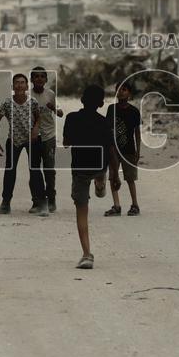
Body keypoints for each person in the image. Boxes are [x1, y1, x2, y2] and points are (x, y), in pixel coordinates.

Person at [63, 84, 120, 269]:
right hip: (99, 165)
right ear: (101, 103)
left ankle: (87, 254)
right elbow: (111, 150)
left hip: (80, 169)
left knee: (82, 211)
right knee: (98, 171)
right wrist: (114, 174)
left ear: (81, 100)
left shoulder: (71, 119)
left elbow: (66, 143)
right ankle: (101, 180)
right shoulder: (104, 122)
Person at [0, 73, 44, 214]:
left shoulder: (32, 102)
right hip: (14, 140)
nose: (19, 85)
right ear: (12, 86)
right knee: (10, 171)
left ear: (27, 86)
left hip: (32, 140)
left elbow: (39, 118)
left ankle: (39, 203)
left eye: (22, 82)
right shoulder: (7, 103)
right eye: (17, 83)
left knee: (35, 170)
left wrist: (35, 130)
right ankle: (5, 204)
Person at [102, 81, 143, 217]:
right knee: (113, 176)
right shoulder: (111, 109)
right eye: (118, 89)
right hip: (113, 149)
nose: (120, 92)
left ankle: (135, 204)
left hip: (129, 149)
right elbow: (107, 130)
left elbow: (137, 132)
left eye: (124, 89)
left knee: (130, 178)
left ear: (129, 94)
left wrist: (138, 150)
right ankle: (117, 205)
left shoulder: (134, 112)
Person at [29, 66, 63, 214]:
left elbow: (61, 113)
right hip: (32, 137)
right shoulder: (26, 96)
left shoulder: (50, 94)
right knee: (34, 171)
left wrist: (53, 108)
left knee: (49, 170)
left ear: (46, 80)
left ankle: (51, 199)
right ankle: (37, 201)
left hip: (49, 136)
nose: (39, 79)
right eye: (36, 76)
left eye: (42, 76)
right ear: (31, 79)